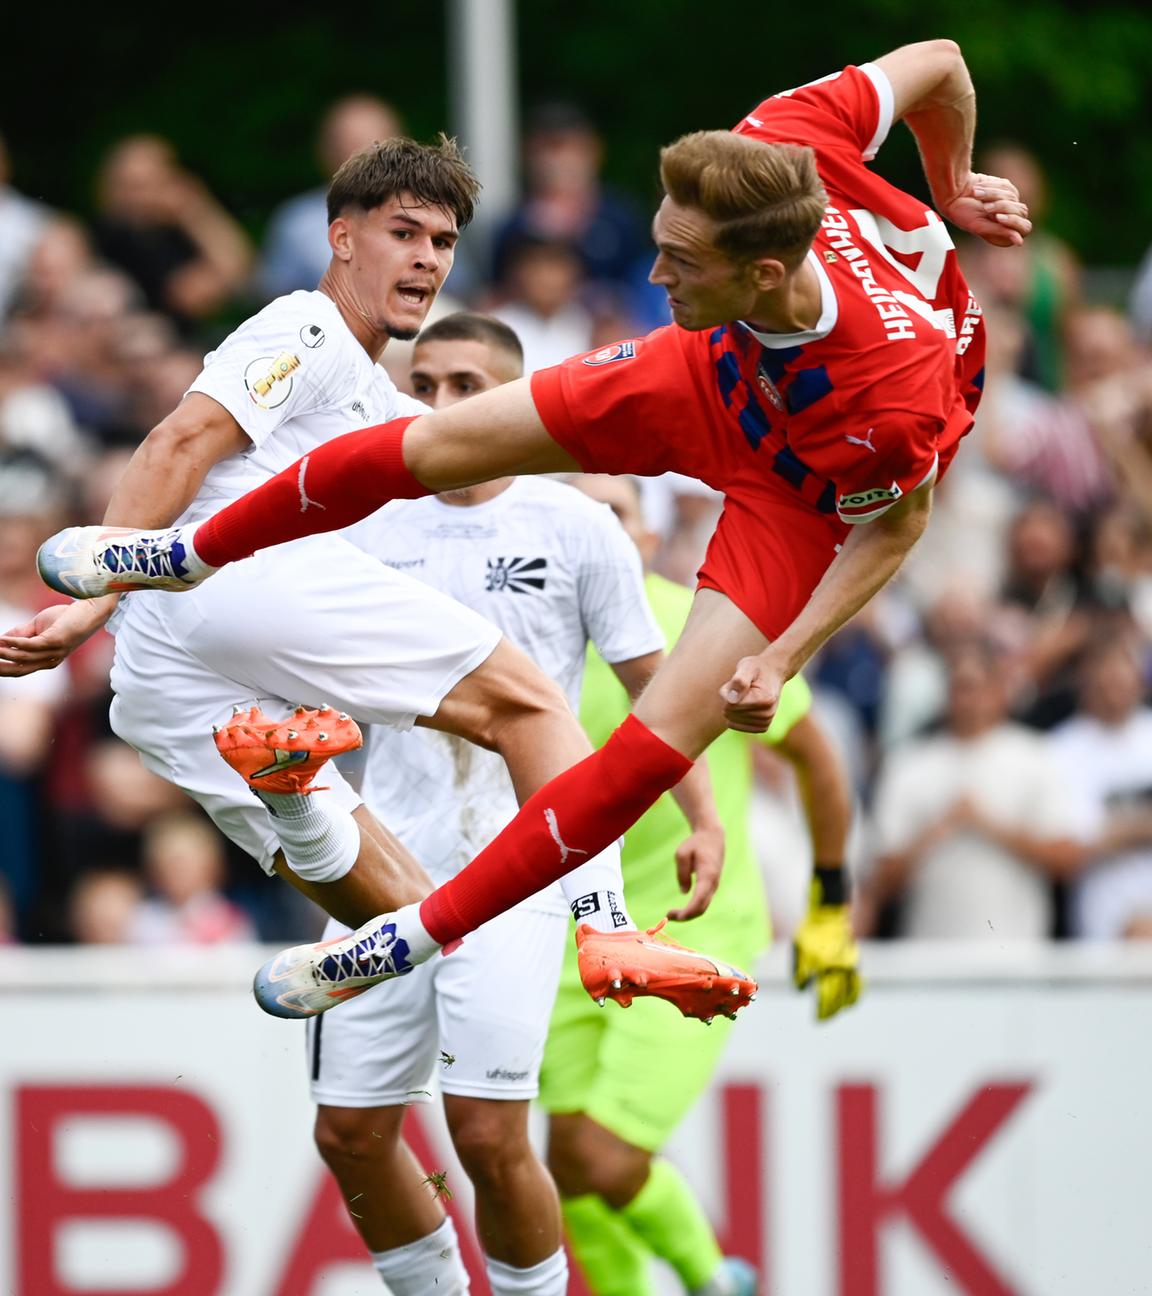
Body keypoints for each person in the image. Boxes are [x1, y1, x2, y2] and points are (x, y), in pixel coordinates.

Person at [32, 39, 1030, 1011]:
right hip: (702, 379)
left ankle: (403, 944)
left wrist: (785, 658)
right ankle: (180, 555)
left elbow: (897, 529)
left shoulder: (891, 406)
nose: (652, 275)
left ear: (763, 275)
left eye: (680, 259)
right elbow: (940, 59)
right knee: (431, 448)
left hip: (797, 490)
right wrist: (952, 178)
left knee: (647, 747)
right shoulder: (776, 140)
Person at [5, 135, 751, 1021]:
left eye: (443, 243)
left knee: (412, 920)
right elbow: (179, 442)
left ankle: (290, 794)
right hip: (230, 581)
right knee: (530, 707)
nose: (428, 259)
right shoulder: (306, 330)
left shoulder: (379, 401)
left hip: (163, 678)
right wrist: (86, 608)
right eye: (406, 232)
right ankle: (606, 923)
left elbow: (516, 442)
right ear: (342, 238)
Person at [310, 312, 693, 1296]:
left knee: (484, 1130)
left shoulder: (573, 526)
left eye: (465, 385)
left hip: (519, 860)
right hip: (380, 852)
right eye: (423, 383)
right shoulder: (369, 517)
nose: (439, 404)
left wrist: (709, 818)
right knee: (350, 1132)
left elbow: (656, 685)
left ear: (515, 397)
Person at [541, 473, 856, 1296]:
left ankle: (713, 1279)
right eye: (577, 515)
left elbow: (817, 759)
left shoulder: (697, 627)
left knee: (603, 1156)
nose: (598, 533)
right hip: (573, 935)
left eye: (615, 514)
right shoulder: (526, 640)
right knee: (569, 1167)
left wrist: (828, 904)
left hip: (694, 933)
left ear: (648, 536)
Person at [858, 642, 1084, 940]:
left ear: (998, 691)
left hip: (1019, 956)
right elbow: (878, 880)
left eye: (976, 687)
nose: (968, 699)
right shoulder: (910, 765)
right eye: (959, 687)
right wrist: (939, 829)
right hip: (928, 955)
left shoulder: (1035, 757)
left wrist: (988, 825)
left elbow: (1067, 858)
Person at [258, 94, 404, 299]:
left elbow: (457, 291)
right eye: (348, 141)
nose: (362, 152)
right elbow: (275, 302)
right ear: (324, 150)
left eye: (375, 142)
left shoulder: (432, 214)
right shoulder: (296, 223)